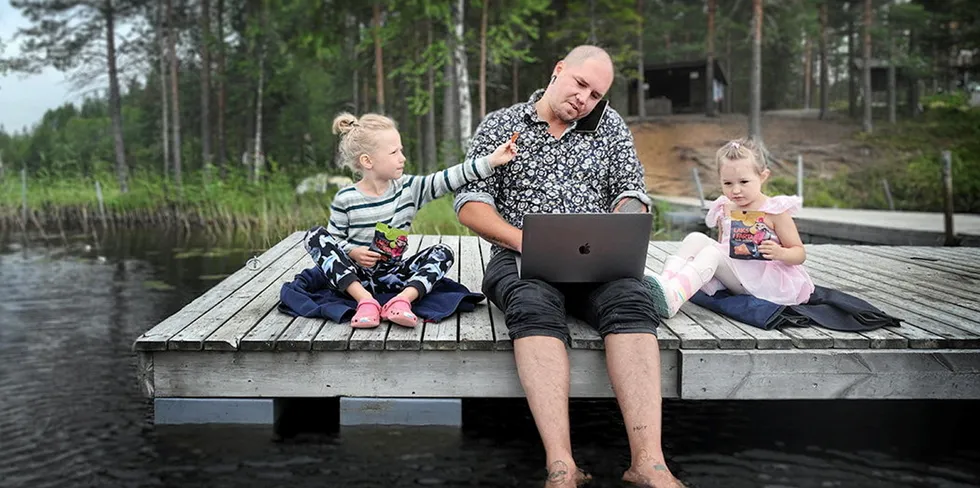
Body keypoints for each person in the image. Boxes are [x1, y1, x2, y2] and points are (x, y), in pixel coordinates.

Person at [454, 45, 684, 488]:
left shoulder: (609, 127)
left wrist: (625, 224)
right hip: (521, 259)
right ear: (558, 70)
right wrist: (529, 242)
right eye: (581, 84)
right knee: (532, 306)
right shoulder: (502, 125)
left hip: (596, 258)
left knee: (634, 301)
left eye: (596, 94)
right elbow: (470, 206)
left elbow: (632, 191)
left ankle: (649, 464)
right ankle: (561, 466)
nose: (585, 99)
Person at [304, 112, 517, 328]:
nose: (402, 158)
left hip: (394, 276)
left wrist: (491, 160)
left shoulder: (410, 189)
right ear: (367, 161)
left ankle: (402, 300)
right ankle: (365, 301)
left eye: (401, 150)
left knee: (444, 252)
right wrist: (352, 252)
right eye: (394, 152)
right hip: (354, 277)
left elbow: (449, 178)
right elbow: (335, 239)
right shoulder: (346, 198)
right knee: (314, 236)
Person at [643, 137, 815, 319]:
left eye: (744, 182)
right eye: (728, 183)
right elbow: (722, 245)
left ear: (763, 176)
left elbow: (799, 253)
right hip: (736, 274)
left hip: (763, 279)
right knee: (696, 238)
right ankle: (665, 283)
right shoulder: (726, 206)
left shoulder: (774, 211)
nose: (736, 190)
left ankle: (675, 297)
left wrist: (780, 253)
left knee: (712, 253)